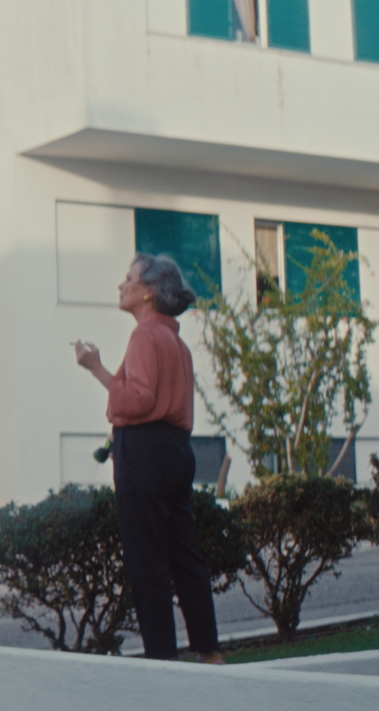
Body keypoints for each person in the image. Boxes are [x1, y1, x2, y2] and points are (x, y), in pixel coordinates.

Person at [72, 254, 224, 664]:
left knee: (147, 560)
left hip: (144, 451)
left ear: (148, 292)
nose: (121, 285)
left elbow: (138, 401)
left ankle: (161, 661)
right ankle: (209, 652)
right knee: (183, 555)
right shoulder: (177, 344)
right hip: (176, 450)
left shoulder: (144, 336)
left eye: (129, 279)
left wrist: (96, 368)